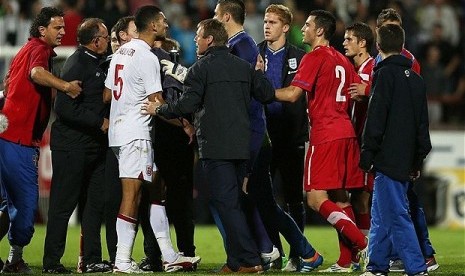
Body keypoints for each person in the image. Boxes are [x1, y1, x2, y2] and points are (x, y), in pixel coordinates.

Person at [142, 18, 274, 273]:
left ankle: (250, 260)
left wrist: (159, 108)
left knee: (226, 204)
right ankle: (236, 261)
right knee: (232, 201)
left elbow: (185, 106)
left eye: (199, 36)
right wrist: (259, 72)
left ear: (210, 40)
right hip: (241, 146)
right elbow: (267, 94)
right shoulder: (243, 67)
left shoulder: (201, 69)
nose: (195, 40)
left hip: (215, 147)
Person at [104, 6, 200, 273]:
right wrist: (184, 124)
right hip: (136, 134)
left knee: (157, 187)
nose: (166, 25)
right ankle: (122, 260)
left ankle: (169, 255)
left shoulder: (121, 51)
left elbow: (107, 94)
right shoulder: (146, 57)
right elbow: (156, 103)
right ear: (152, 26)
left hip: (120, 131)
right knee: (131, 196)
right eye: (163, 21)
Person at [274, 9, 368, 270]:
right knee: (340, 197)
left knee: (315, 199)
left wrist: (260, 90)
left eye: (307, 25)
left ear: (320, 31)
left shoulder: (313, 57)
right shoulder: (342, 60)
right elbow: (355, 95)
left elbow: (293, 94)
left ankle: (363, 243)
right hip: (346, 131)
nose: (302, 29)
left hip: (325, 134)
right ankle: (346, 260)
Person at [0, 6, 81, 274]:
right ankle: (15, 259)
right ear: (42, 30)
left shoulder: (23, 50)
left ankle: (13, 260)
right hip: (18, 140)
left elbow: (8, 83)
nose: (62, 31)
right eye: (57, 27)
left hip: (6, 135)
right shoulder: (39, 49)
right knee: (25, 206)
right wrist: (66, 86)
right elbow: (36, 74)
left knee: (5, 206)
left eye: (63, 27)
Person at [359, 23, 431, 276]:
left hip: (387, 157)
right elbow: (423, 124)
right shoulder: (418, 80)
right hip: (407, 157)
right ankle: (377, 266)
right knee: (379, 214)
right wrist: (418, 159)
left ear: (378, 46)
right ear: (402, 47)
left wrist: (367, 152)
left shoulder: (383, 75)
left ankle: (416, 267)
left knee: (398, 215)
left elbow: (376, 117)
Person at [212, 0, 280, 268]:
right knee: (239, 195)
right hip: (244, 129)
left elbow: (244, 94)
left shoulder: (241, 47)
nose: (214, 18)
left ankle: (257, 250)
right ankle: (264, 248)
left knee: (235, 195)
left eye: (217, 15)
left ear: (226, 16)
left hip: (248, 130)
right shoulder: (241, 45)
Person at [42, 18, 112, 274]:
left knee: (94, 206)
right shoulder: (78, 63)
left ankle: (92, 259)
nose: (108, 42)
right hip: (72, 146)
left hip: (94, 146)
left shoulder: (96, 62)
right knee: (63, 205)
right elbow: (63, 107)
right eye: (105, 37)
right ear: (95, 41)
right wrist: (99, 122)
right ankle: (51, 263)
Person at [375, 9, 439, 273]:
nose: (392, 33)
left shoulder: (407, 62)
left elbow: (405, 101)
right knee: (383, 205)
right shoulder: (374, 60)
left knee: (406, 201)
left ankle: (422, 255)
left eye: (395, 28)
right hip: (385, 142)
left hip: (398, 144)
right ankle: (382, 260)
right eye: (387, 28)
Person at [317, 21, 376, 273]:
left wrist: (370, 90)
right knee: (346, 198)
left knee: (362, 201)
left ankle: (368, 253)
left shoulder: (374, 68)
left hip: (367, 145)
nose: (344, 43)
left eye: (350, 39)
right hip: (351, 142)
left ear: (362, 43)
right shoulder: (351, 68)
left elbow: (393, 94)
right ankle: (350, 258)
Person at [256, 4, 308, 271]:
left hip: (290, 135)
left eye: (273, 22)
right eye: (265, 21)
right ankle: (274, 253)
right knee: (263, 198)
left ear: (286, 27)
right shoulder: (254, 53)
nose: (267, 26)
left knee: (293, 198)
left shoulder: (300, 57)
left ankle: (298, 255)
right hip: (262, 136)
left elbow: (297, 96)